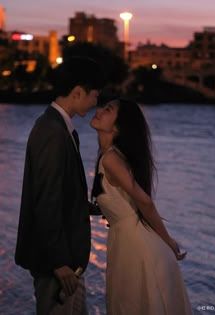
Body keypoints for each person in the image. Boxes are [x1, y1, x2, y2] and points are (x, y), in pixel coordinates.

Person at [15, 56, 104, 315]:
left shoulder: (60, 128)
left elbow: (61, 194)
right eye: (95, 95)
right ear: (78, 92)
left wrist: (96, 208)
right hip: (56, 265)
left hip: (66, 261)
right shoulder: (52, 132)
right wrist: (59, 263)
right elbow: (46, 200)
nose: (96, 102)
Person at [90, 98, 193, 315]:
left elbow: (144, 200)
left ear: (117, 127)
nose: (99, 111)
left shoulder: (111, 159)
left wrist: (169, 242)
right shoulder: (110, 156)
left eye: (107, 110)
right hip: (128, 240)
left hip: (138, 247)